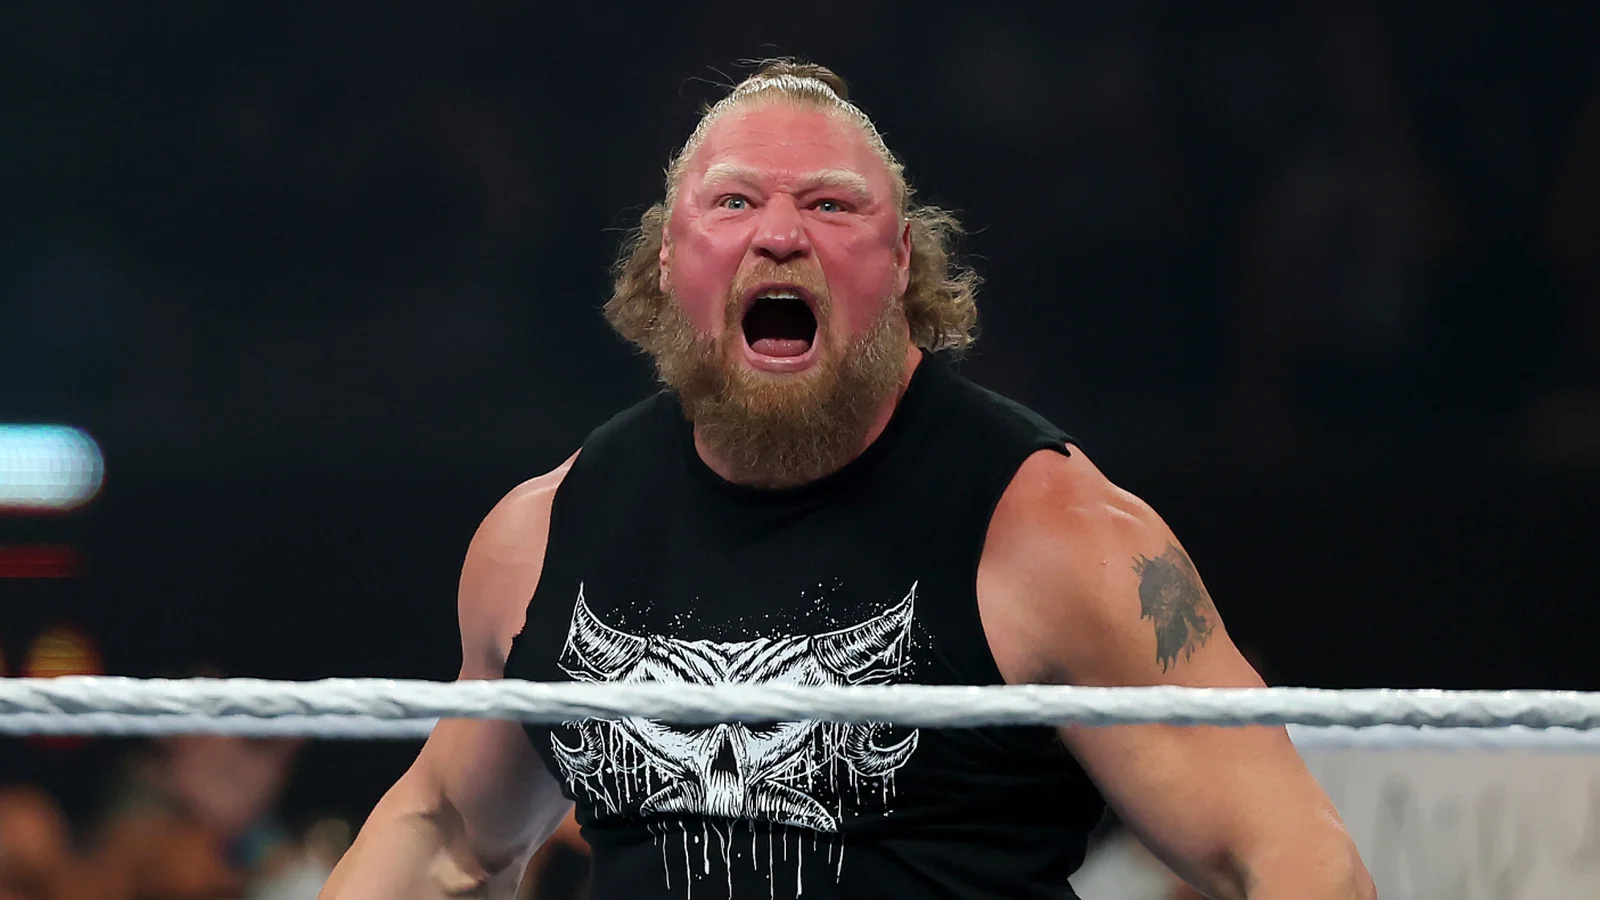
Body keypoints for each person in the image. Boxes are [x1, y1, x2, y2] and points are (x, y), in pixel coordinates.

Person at [322, 60, 1374, 899]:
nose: (781, 235)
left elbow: (1291, 855)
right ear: (667, 260)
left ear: (903, 262)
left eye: (830, 205)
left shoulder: (1054, 534)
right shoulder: (545, 537)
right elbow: (446, 837)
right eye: (734, 201)